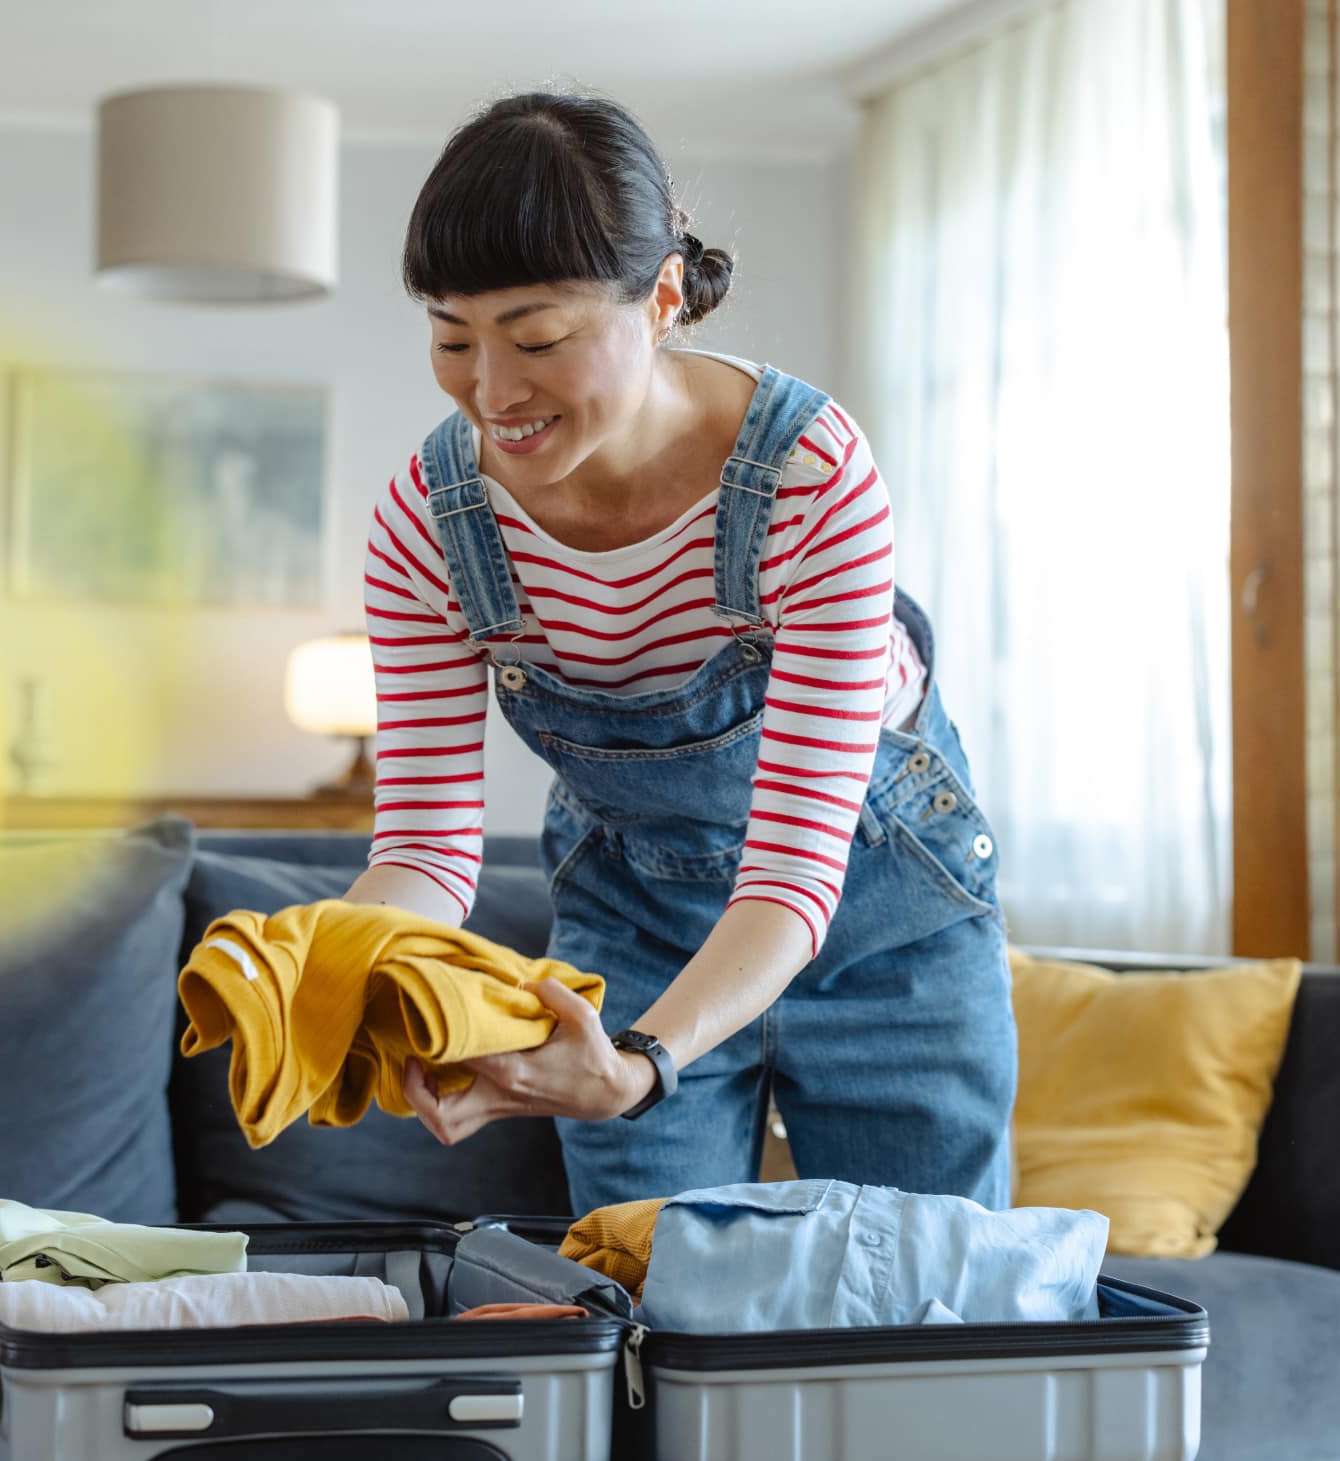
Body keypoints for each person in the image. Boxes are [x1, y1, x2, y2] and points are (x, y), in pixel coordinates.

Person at [340, 92, 1013, 1212]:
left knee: (925, 1314)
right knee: (648, 1305)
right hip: (639, 914)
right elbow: (426, 847)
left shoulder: (810, 480)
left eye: (539, 338)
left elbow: (797, 871)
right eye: (452, 338)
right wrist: (336, 966)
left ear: (660, 299)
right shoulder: (430, 523)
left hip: (875, 911)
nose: (492, 393)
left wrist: (647, 1060)